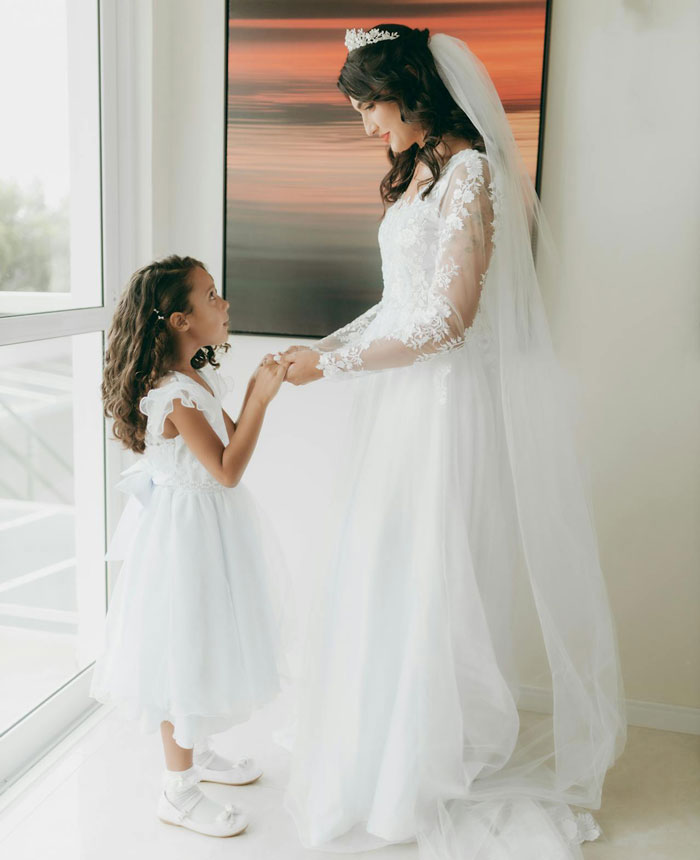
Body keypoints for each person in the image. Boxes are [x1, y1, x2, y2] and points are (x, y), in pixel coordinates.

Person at [276, 24, 627, 860]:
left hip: (439, 405)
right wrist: (324, 349)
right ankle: (383, 752)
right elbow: (400, 304)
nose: (364, 123)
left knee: (427, 574)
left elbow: (448, 321)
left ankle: (412, 770)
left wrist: (336, 369)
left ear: (412, 91)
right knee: (386, 568)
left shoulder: (470, 173)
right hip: (400, 401)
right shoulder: (422, 178)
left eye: (369, 104)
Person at [91, 254, 287, 838]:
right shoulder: (174, 394)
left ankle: (196, 753)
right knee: (183, 649)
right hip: (185, 539)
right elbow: (228, 469)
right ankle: (177, 790)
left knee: (207, 641)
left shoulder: (195, 379)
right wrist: (259, 400)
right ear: (180, 320)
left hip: (208, 530)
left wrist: (249, 395)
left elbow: (227, 443)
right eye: (211, 296)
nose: (223, 303)